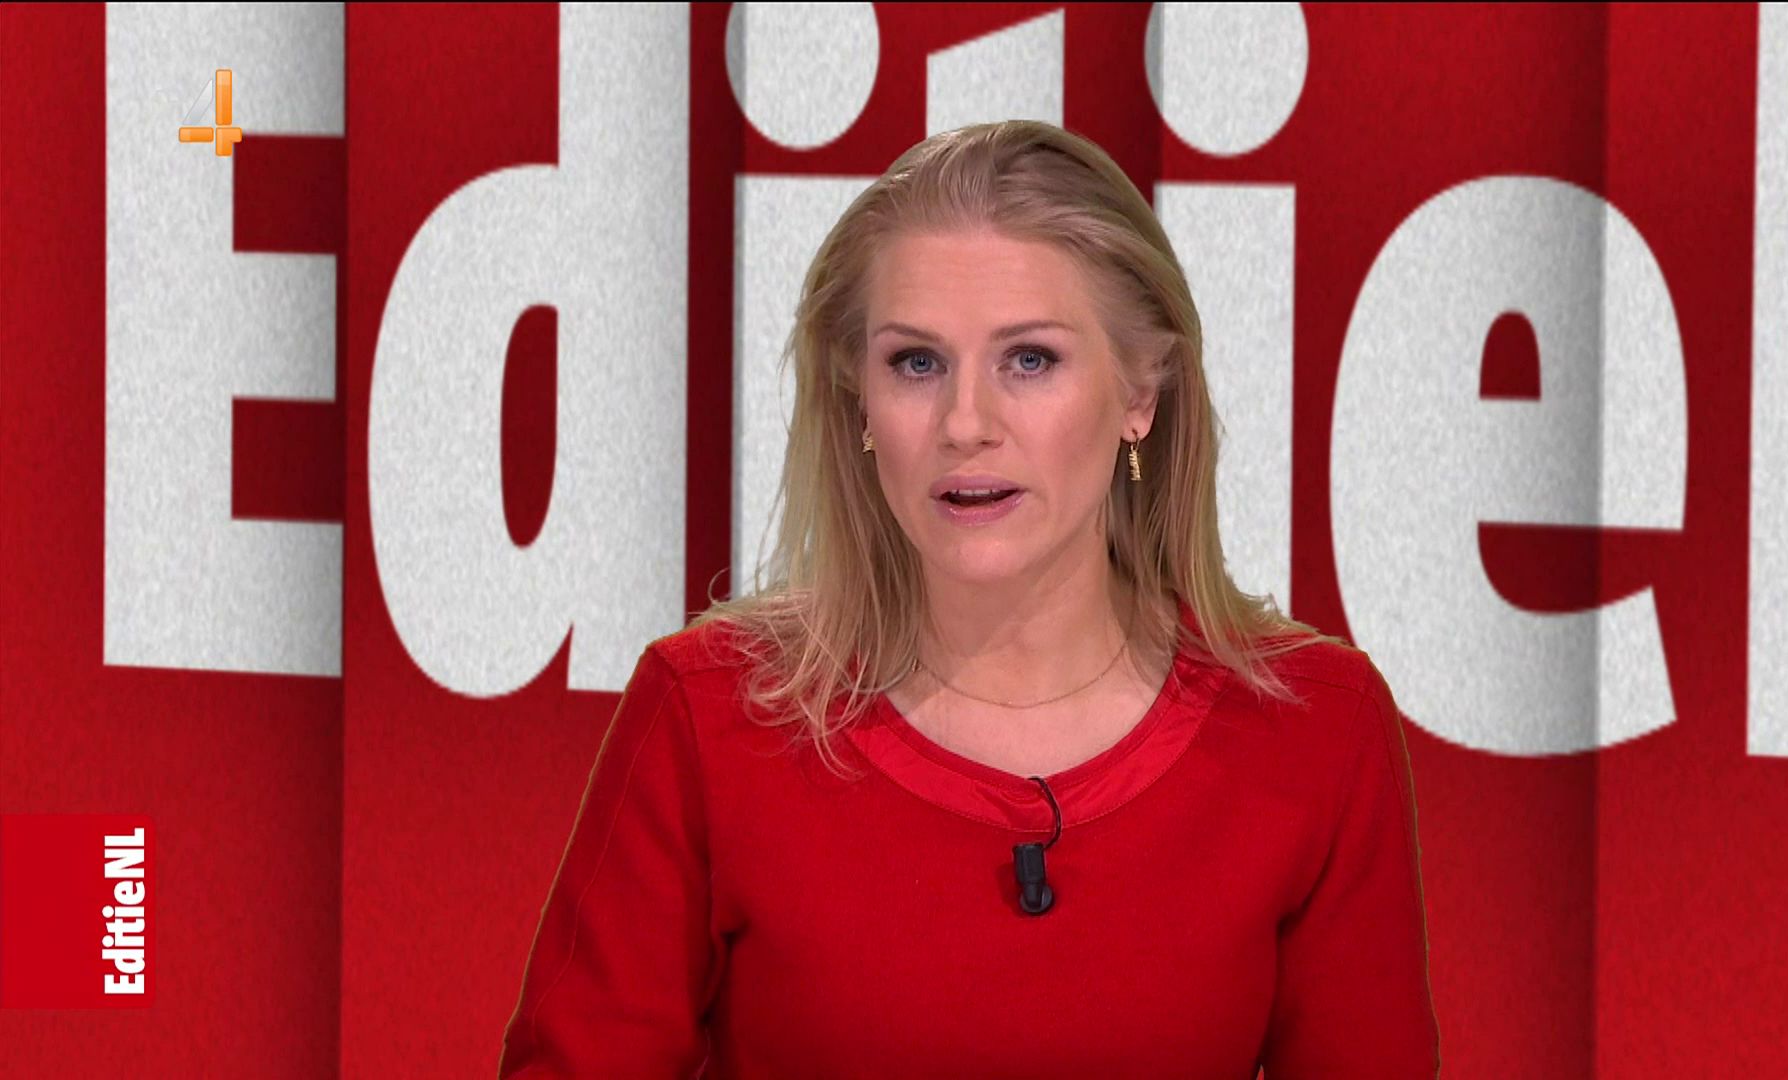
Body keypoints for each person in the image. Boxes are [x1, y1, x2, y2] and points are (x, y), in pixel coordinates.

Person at [498, 120, 1439, 1079]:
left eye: (1029, 360)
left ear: (1139, 394)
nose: (964, 423)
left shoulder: (1317, 731)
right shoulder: (709, 717)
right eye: (917, 363)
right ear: (859, 401)